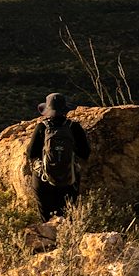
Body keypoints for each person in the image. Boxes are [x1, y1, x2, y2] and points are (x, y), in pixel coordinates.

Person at [27, 92, 90, 221]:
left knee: (46, 220)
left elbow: (31, 153)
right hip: (68, 179)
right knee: (67, 218)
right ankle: (66, 238)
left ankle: (48, 238)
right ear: (65, 110)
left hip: (44, 179)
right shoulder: (74, 127)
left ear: (47, 110)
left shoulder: (41, 127)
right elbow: (85, 153)